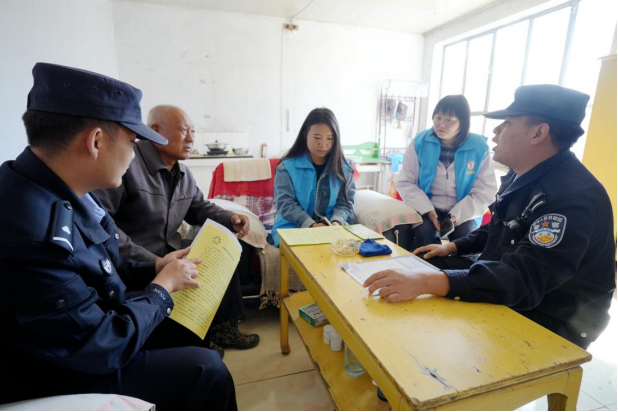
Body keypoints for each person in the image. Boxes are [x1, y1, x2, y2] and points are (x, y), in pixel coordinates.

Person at [0, 63, 237, 410]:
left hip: (89, 326)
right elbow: (100, 345)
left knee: (188, 330)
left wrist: (155, 267)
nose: (134, 153)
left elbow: (104, 261)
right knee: (208, 370)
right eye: (132, 141)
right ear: (96, 141)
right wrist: (161, 288)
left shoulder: (64, 190)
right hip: (59, 367)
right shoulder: (32, 232)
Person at [364, 85, 616, 349]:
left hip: (550, 318)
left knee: (428, 311)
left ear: (538, 133)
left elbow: (523, 278)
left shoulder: (568, 198)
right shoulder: (524, 175)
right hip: (510, 285)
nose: (496, 131)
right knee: (420, 266)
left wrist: (427, 282)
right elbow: (500, 227)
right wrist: (451, 247)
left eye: (507, 123)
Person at [95, 105, 259, 355]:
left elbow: (199, 208)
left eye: (193, 131)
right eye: (184, 131)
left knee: (222, 256)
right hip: (134, 264)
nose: (191, 139)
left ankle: (224, 329)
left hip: (170, 254)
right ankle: (196, 341)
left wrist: (231, 217)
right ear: (155, 131)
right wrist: (153, 262)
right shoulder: (128, 164)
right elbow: (104, 224)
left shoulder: (183, 172)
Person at [397, 95, 497, 248]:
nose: (441, 124)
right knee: (425, 235)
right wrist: (427, 210)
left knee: (467, 240)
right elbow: (406, 182)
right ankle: (425, 264)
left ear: (463, 122)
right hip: (427, 206)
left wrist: (455, 217)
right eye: (438, 117)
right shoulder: (419, 142)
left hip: (464, 210)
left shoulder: (479, 148)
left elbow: (485, 191)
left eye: (449, 120)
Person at [272, 108, 356, 246]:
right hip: (293, 226)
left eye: (330, 138)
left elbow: (345, 203)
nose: (323, 144)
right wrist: (311, 225)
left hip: (331, 228)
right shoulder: (286, 167)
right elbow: (285, 203)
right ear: (306, 134)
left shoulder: (344, 169)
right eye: (317, 137)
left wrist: (336, 222)